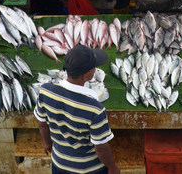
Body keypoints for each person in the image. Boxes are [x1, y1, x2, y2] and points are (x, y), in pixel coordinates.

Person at [34, 45, 120, 174]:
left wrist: (47, 143)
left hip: (59, 164)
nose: (95, 69)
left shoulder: (45, 91)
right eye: (93, 67)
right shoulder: (95, 110)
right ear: (86, 75)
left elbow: (42, 125)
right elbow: (101, 148)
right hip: (88, 169)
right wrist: (112, 167)